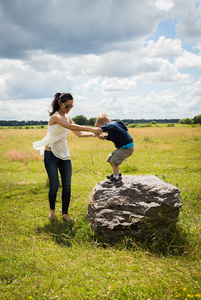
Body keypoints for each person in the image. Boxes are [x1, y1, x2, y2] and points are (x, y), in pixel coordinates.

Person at [33, 92, 102, 222]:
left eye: (71, 106)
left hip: (64, 156)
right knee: (54, 185)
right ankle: (52, 210)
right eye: (67, 106)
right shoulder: (55, 116)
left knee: (67, 186)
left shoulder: (68, 117)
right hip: (51, 155)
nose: (69, 109)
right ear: (60, 103)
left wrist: (94, 135)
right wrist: (92, 128)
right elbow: (69, 127)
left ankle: (65, 213)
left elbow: (79, 134)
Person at [95, 114, 134, 183]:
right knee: (110, 159)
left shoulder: (113, 125)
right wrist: (105, 137)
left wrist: (101, 129)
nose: (102, 131)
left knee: (114, 161)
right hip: (122, 147)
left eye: (101, 129)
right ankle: (117, 174)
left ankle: (116, 179)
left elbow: (111, 125)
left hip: (127, 148)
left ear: (105, 124)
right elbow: (112, 137)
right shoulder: (113, 129)